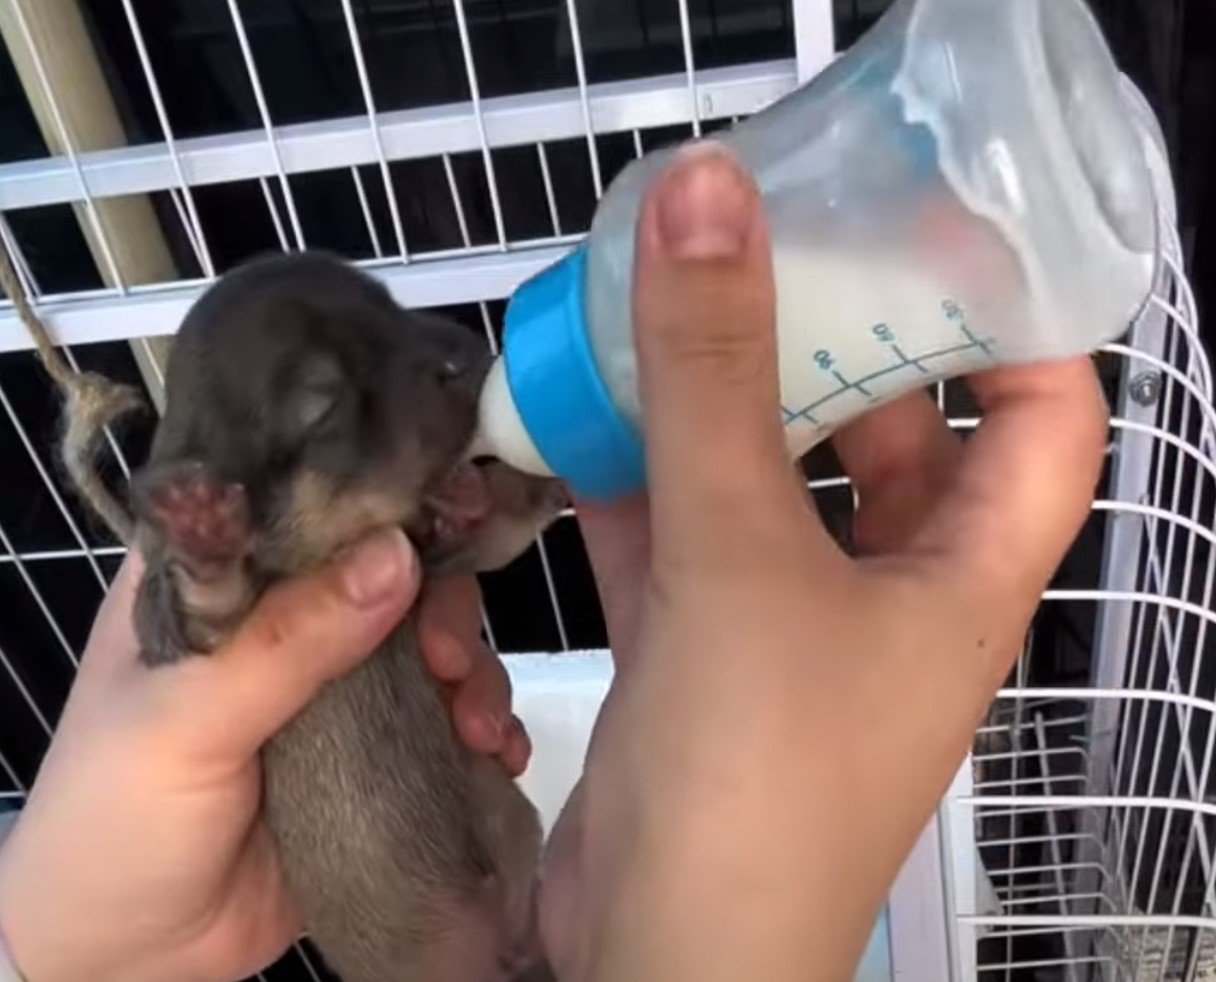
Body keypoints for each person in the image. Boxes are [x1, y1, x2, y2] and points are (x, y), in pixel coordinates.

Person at [0, 149, 1106, 982]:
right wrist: (204, 577)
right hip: (408, 942)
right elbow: (195, 633)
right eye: (337, 400)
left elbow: (500, 524)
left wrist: (521, 491)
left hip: (529, 878)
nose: (432, 360)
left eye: (389, 325)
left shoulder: (366, 526)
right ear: (222, 510)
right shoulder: (225, 569)